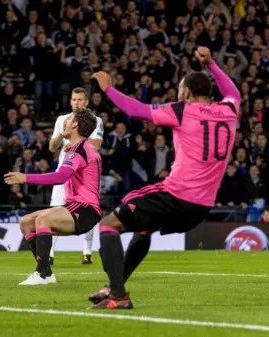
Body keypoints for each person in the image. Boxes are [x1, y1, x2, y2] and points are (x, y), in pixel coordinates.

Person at [88, 46, 240, 309]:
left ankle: (118, 296)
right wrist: (212, 64)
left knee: (108, 224)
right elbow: (233, 92)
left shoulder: (182, 109)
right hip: (201, 208)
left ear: (189, 93)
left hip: (176, 195)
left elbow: (136, 111)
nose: (179, 93)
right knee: (144, 228)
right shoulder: (228, 111)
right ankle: (115, 286)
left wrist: (108, 89)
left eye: (181, 89)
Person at [4, 108, 101, 285]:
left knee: (43, 219)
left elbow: (61, 177)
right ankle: (46, 271)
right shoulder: (83, 148)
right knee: (26, 222)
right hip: (75, 206)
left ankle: (41, 274)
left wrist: (26, 178)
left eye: (68, 119)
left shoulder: (77, 151)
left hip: (85, 209)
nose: (64, 122)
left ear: (75, 124)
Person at [47, 87, 104, 265]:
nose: (76, 103)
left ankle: (87, 251)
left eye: (80, 100)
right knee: (55, 208)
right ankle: (49, 253)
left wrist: (73, 145)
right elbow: (51, 146)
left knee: (86, 209)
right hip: (64, 170)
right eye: (74, 100)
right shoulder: (62, 120)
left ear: (86, 102)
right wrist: (61, 137)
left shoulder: (95, 121)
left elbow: (96, 144)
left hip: (85, 172)